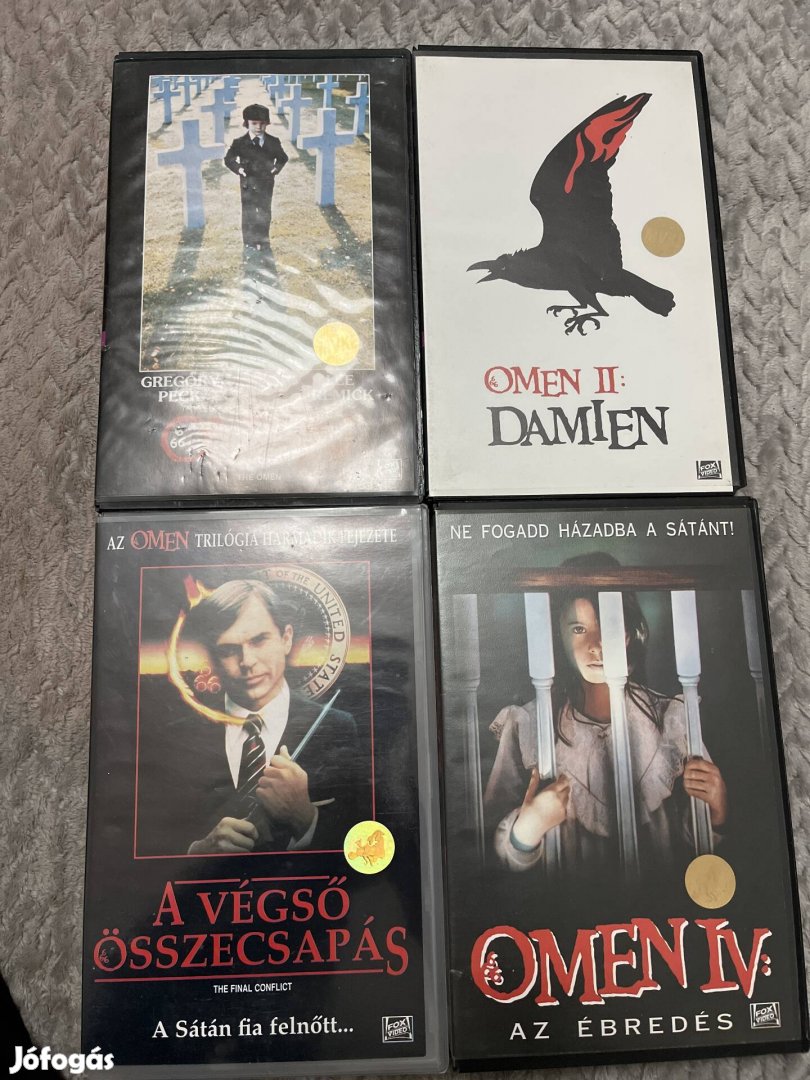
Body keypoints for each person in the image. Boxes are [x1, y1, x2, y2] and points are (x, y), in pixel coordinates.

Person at [483, 554, 727, 874]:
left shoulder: (669, 717)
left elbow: (692, 845)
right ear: (559, 636)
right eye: (579, 628)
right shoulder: (527, 725)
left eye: (608, 627)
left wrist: (716, 810)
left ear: (627, 634)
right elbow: (488, 853)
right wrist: (526, 831)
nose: (596, 645)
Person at [158, 579, 361, 856]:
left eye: (259, 640)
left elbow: (366, 847)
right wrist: (197, 852)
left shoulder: (338, 727)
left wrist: (305, 817)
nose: (247, 661)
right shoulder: (178, 737)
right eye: (228, 649)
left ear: (286, 638)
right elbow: (144, 845)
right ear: (213, 656)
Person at [224, 104, 288, 250]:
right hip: (248, 182)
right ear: (247, 123)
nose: (258, 127)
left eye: (262, 123)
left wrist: (275, 169)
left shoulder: (273, 141)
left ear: (267, 123)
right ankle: (249, 241)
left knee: (265, 211)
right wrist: (239, 169)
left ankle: (263, 239)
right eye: (254, 123)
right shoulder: (239, 142)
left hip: (266, 182)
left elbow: (283, 158)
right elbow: (229, 159)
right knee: (249, 212)